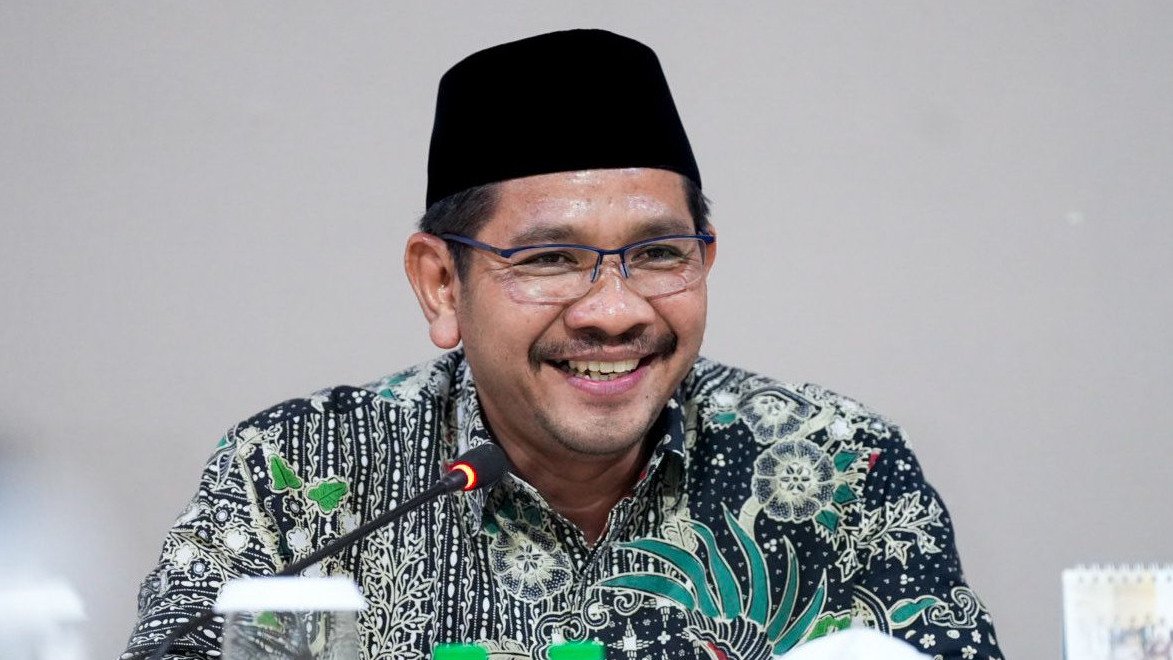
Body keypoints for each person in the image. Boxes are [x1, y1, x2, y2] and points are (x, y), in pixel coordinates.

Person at [122, 29, 1002, 659]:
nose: (614, 312)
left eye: (658, 254)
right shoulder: (293, 476)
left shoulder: (839, 466)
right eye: (549, 259)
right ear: (440, 283)